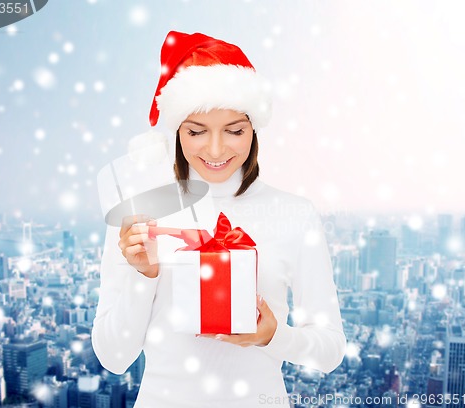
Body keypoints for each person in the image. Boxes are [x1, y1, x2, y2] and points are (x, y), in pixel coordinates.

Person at [92, 31, 346, 408]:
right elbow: (114, 357)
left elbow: (330, 350)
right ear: (176, 131)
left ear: (254, 129)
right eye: (196, 131)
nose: (215, 149)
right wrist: (143, 275)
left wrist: (272, 336)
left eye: (234, 131)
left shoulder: (294, 213)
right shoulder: (143, 213)